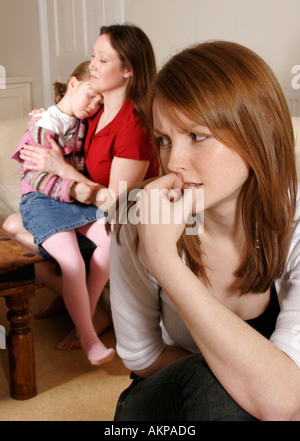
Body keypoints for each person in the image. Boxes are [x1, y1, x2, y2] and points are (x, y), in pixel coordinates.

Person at [108, 41, 300, 420]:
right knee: (227, 390)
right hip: (159, 404)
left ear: (256, 135)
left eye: (196, 136)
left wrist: (258, 377)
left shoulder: (294, 218)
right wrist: (163, 259)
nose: (172, 161)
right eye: (163, 140)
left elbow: (284, 398)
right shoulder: (138, 216)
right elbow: (141, 355)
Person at [3, 24, 159, 352]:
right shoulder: (97, 110)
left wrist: (61, 169)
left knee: (34, 237)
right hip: (88, 207)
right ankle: (72, 301)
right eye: (93, 56)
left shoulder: (133, 125)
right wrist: (43, 117)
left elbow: (118, 204)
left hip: (123, 219)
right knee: (12, 226)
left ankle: (87, 317)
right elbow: (69, 113)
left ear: (128, 69)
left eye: (103, 60)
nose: (93, 65)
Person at [10, 60, 117, 366]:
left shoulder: (82, 123)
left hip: (73, 200)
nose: (95, 104)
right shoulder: (44, 126)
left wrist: (78, 187)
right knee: (70, 261)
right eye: (91, 95)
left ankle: (90, 312)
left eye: (101, 100)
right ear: (73, 84)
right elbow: (35, 176)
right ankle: (89, 338)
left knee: (110, 239)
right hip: (42, 200)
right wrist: (75, 190)